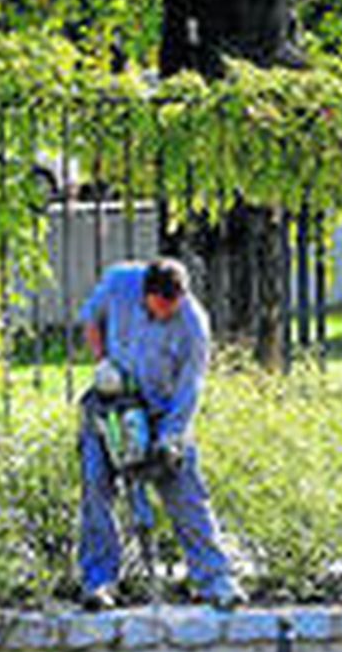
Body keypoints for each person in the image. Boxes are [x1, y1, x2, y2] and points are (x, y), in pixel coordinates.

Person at [76, 258, 244, 610]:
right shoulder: (120, 283)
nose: (168, 313)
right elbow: (91, 318)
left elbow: (190, 388)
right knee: (96, 487)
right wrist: (103, 362)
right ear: (145, 293)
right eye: (161, 307)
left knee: (187, 493)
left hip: (162, 412)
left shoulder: (193, 325)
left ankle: (216, 580)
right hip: (111, 406)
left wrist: (170, 439)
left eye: (174, 307)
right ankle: (100, 581)